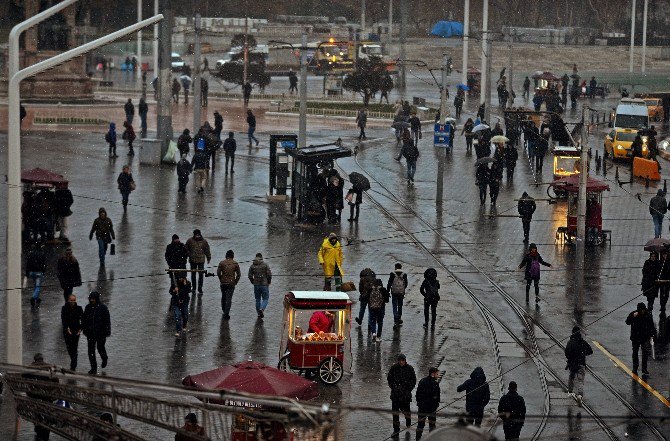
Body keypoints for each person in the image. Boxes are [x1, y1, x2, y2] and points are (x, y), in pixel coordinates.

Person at [387, 354, 417, 436]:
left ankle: (408, 424)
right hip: (395, 395)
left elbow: (413, 380)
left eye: (402, 360)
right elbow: (389, 379)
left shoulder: (410, 368)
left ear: (405, 360)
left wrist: (407, 389)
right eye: (399, 360)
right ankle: (396, 430)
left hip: (405, 395)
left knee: (406, 412)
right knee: (395, 414)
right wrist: (394, 387)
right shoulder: (393, 368)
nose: (401, 362)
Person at [82, 291, 111, 374]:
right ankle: (93, 368)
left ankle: (104, 358)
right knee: (91, 351)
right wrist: (85, 329)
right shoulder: (88, 308)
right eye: (91, 299)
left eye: (93, 299)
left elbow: (107, 321)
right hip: (90, 333)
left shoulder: (103, 308)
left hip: (101, 333)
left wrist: (107, 331)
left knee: (100, 348)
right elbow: (84, 319)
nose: (92, 300)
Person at [625, 302, 656, 377]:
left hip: (644, 337)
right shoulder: (634, 314)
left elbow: (651, 326)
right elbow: (627, 322)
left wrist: (652, 334)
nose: (642, 311)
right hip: (635, 337)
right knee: (635, 352)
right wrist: (632, 316)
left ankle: (644, 369)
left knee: (645, 353)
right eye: (641, 310)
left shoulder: (648, 315)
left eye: (643, 310)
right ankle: (635, 367)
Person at [565, 326, 593, 407]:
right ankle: (580, 395)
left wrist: (571, 358)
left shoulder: (570, 342)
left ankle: (570, 392)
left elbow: (567, 353)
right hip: (581, 363)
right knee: (580, 380)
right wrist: (583, 354)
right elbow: (590, 351)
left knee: (571, 377)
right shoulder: (582, 342)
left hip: (572, 364)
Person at [415, 367, 441, 440]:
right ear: (432, 374)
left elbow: (417, 394)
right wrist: (436, 405)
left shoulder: (422, 381)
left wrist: (419, 404)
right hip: (431, 409)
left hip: (422, 408)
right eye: (437, 374)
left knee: (420, 425)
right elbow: (437, 397)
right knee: (432, 425)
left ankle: (418, 439)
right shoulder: (435, 384)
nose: (438, 375)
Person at [217, 250, 241, 319]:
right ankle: (226, 313)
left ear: (226, 255)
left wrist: (221, 279)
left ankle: (224, 309)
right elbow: (239, 274)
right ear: (232, 256)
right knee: (229, 298)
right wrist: (235, 281)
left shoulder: (222, 263)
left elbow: (218, 272)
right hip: (231, 283)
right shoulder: (235, 263)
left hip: (223, 283)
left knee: (223, 297)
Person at [61, 294, 83, 370]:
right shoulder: (64, 308)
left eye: (74, 300)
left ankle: (73, 364)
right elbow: (63, 319)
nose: (72, 302)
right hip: (67, 331)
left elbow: (82, 319)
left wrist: (80, 329)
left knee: (74, 346)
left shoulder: (79, 308)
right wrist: (67, 328)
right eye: (71, 300)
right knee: (69, 347)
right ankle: (73, 360)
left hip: (76, 330)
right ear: (68, 300)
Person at [185, 229, 211, 295]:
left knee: (201, 275)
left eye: (198, 235)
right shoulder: (190, 240)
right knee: (193, 275)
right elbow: (186, 248)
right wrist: (188, 254)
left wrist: (208, 258)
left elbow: (207, 250)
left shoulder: (204, 241)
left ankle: (200, 288)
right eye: (196, 235)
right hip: (192, 260)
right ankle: (194, 288)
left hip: (201, 261)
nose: (197, 236)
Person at [248, 253, 272, 318]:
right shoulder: (265, 265)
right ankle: (262, 309)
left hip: (256, 285)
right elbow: (269, 275)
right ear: (261, 258)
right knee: (265, 298)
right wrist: (268, 282)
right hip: (264, 284)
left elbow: (250, 276)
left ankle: (259, 313)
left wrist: (253, 282)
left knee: (257, 299)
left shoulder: (252, 266)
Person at [387, 263, 408, 328]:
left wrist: (388, 291)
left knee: (394, 306)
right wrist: (402, 289)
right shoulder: (404, 274)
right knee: (400, 305)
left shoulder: (392, 274)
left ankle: (395, 318)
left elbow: (389, 283)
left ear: (395, 267)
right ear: (401, 267)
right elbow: (406, 283)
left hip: (394, 292)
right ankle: (399, 318)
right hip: (401, 292)